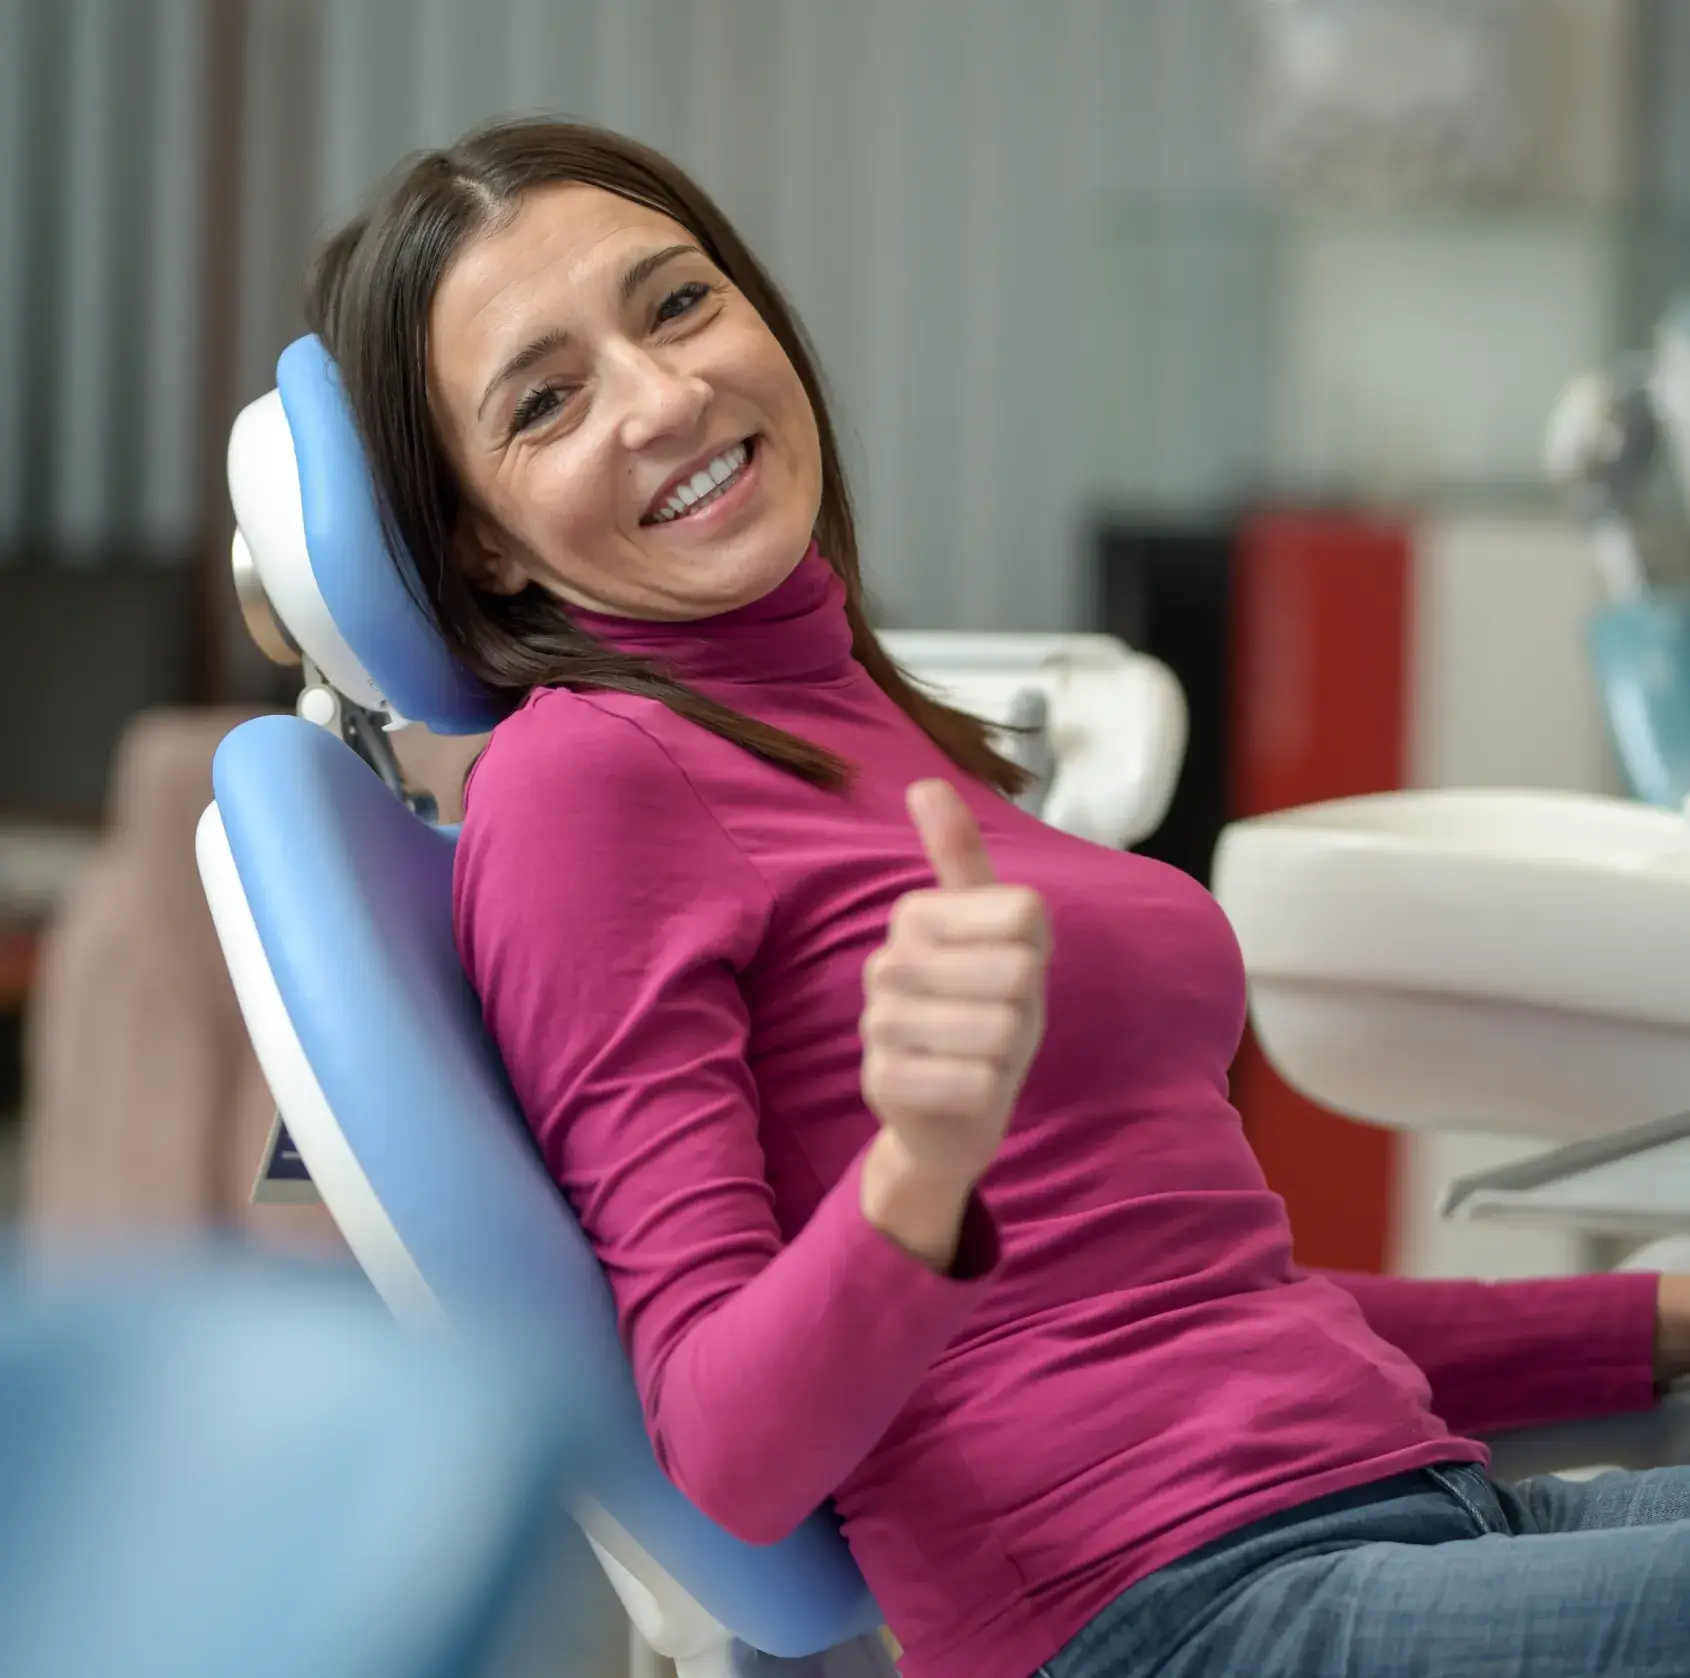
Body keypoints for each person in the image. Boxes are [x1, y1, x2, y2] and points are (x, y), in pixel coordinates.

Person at [306, 117, 1690, 1678]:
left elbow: (1198, 1298)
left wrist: (1650, 1322)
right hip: (1174, 1611)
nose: (665, 396)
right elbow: (724, 1447)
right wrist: (917, 1171)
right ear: (481, 542)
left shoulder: (862, 721)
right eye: (545, 401)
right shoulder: (590, 784)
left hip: (1390, 1508)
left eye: (678, 303)